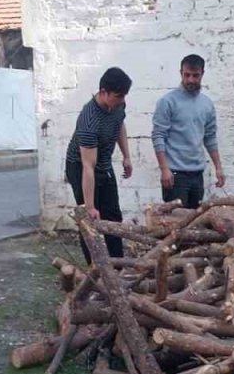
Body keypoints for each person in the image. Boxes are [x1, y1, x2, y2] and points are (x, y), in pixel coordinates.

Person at [65, 67, 134, 263]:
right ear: (103, 92)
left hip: (103, 164)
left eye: (124, 96)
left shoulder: (118, 104)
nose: (122, 100)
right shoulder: (89, 121)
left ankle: (117, 265)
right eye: (118, 96)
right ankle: (95, 269)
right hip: (81, 167)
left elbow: (119, 124)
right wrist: (90, 205)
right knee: (90, 220)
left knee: (113, 216)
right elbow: (88, 166)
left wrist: (126, 156)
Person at [151, 54, 224, 209]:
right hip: (175, 176)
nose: (190, 79)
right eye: (187, 75)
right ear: (181, 73)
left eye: (195, 75)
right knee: (175, 226)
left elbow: (210, 138)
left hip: (197, 176)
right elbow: (158, 137)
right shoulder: (167, 102)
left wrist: (218, 167)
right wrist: (164, 169)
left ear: (202, 74)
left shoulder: (207, 105)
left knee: (196, 225)